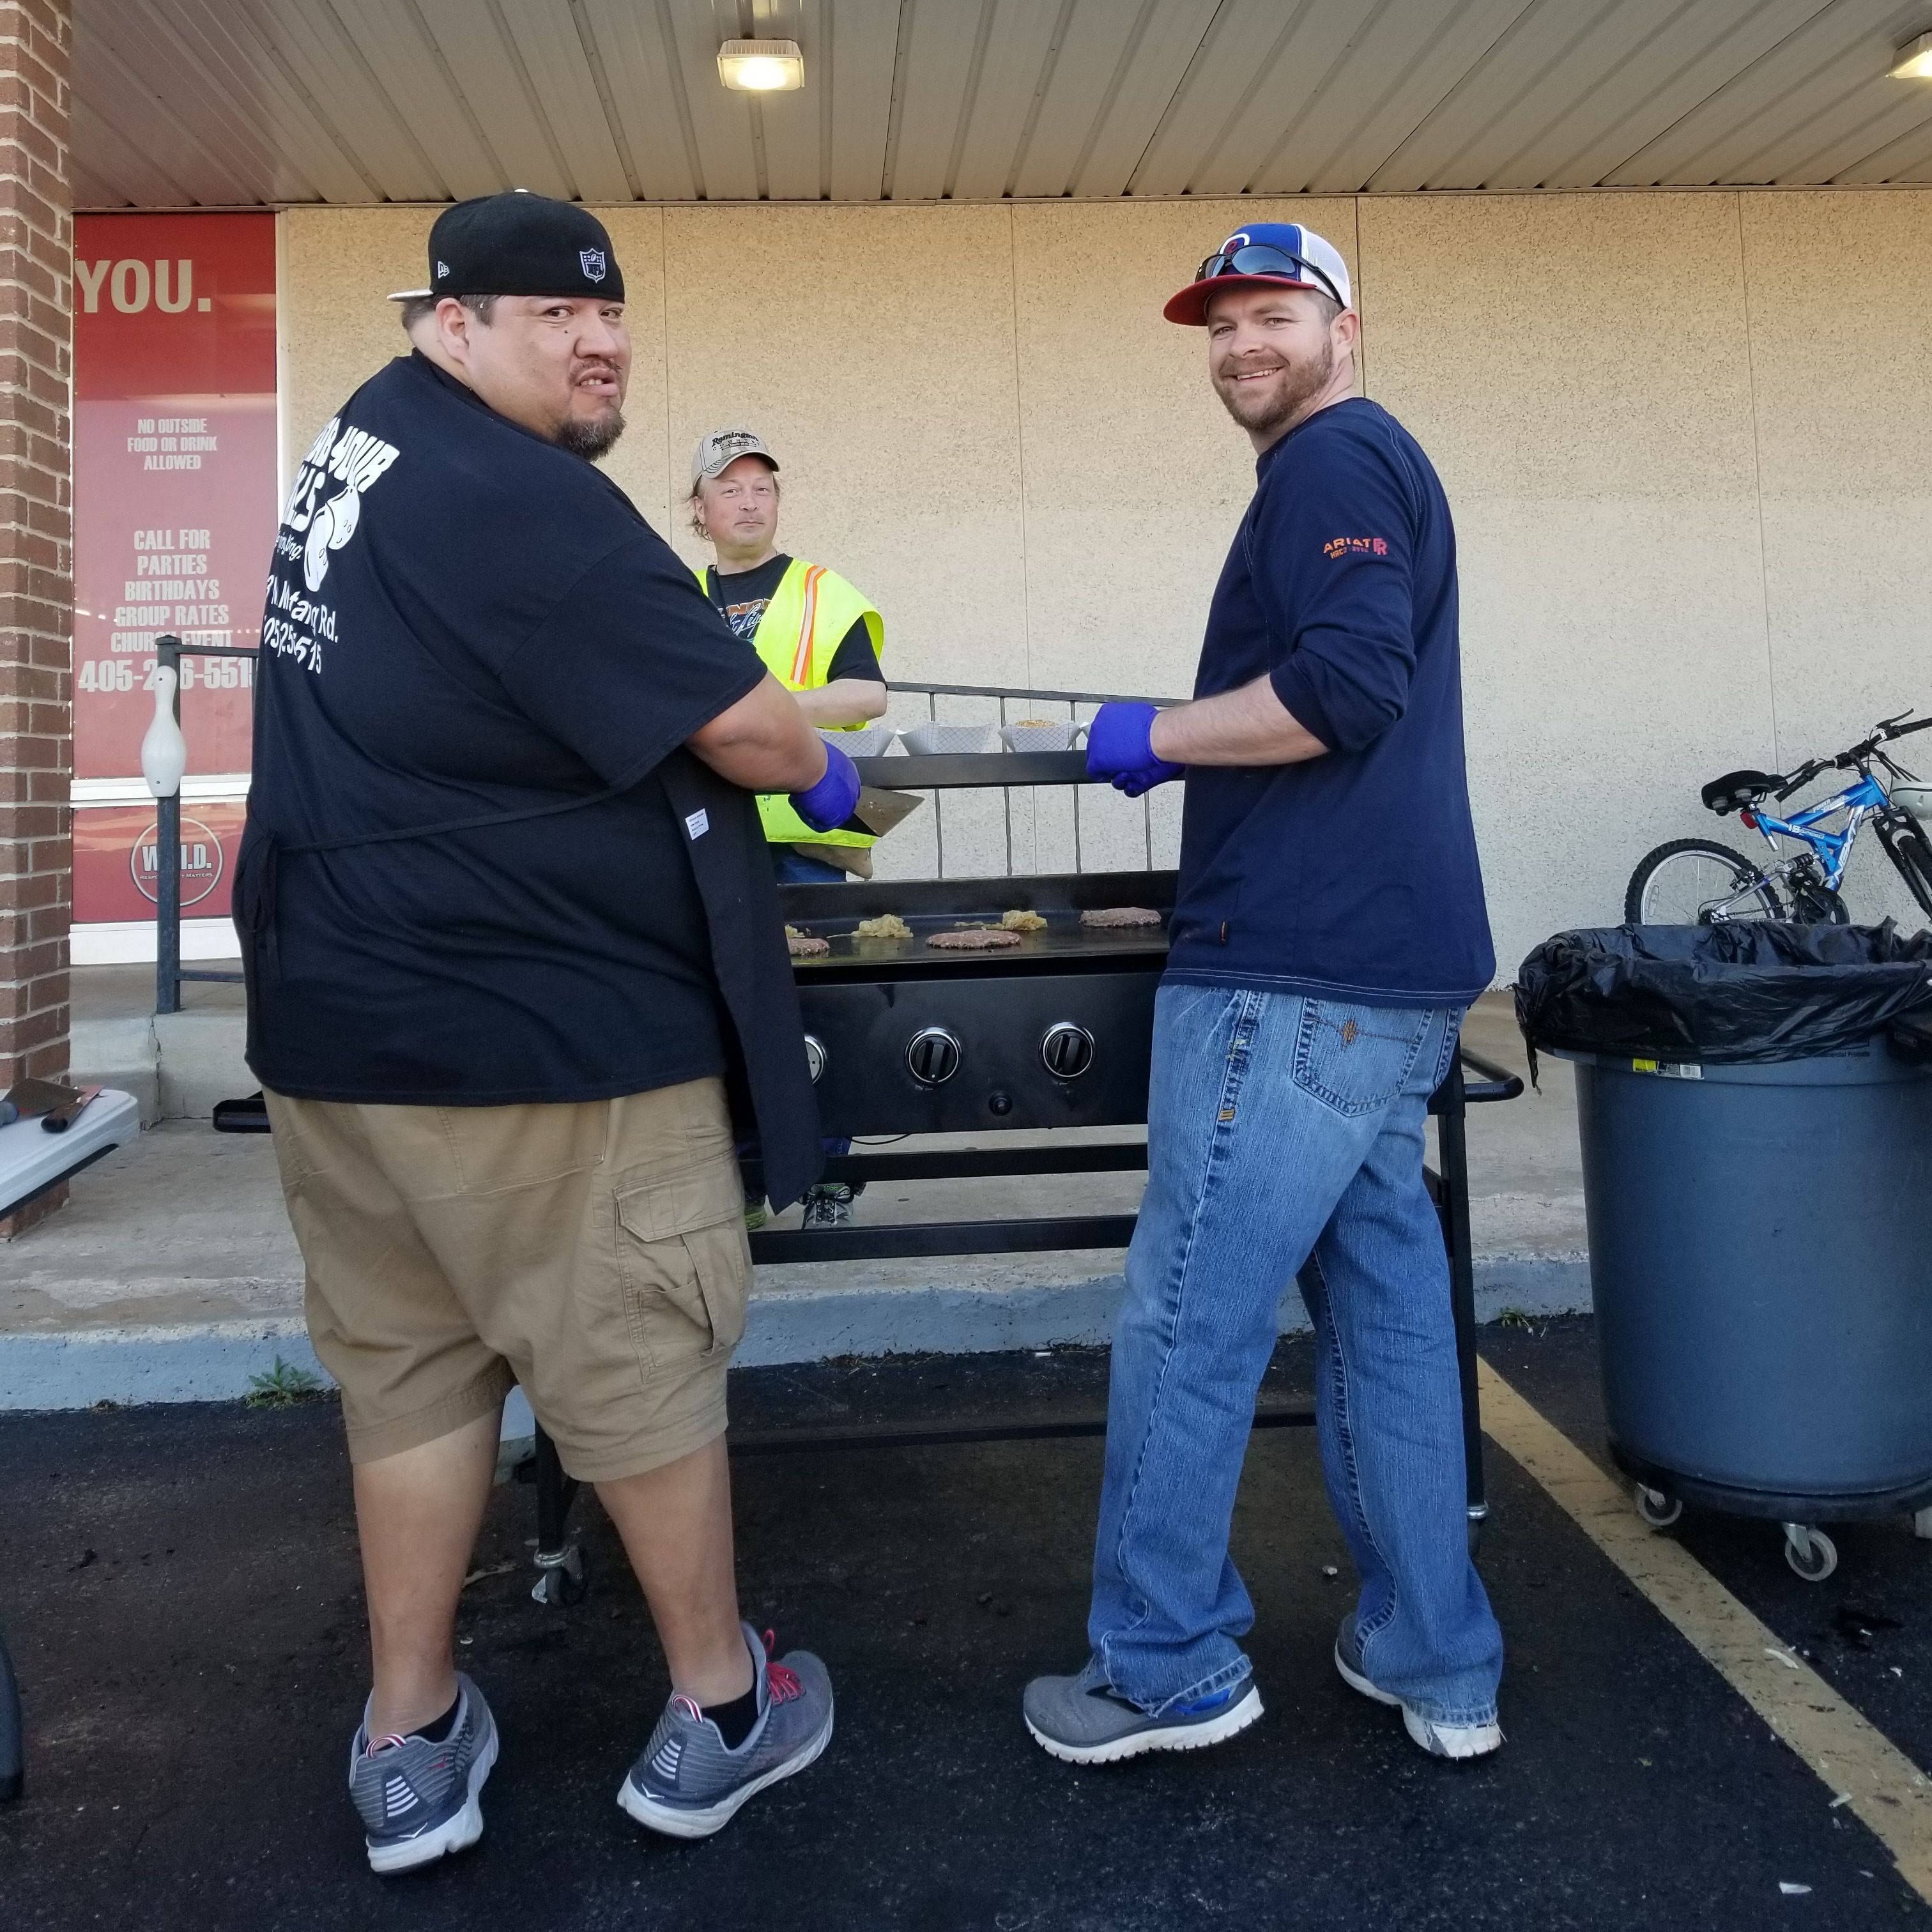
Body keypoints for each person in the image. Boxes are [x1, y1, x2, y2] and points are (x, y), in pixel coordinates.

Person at [240, 192, 860, 1872]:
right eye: (547, 318)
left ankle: (410, 1735)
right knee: (638, 1362)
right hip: (540, 1035)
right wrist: (823, 756)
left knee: (415, 1375)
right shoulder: (530, 504)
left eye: (612, 320)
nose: (597, 345)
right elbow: (756, 738)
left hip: (342, 1033)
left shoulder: (363, 440)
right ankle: (725, 1712)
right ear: (452, 323)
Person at [1022, 224, 1503, 1766]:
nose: (1241, 343)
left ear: (1344, 327)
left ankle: (1165, 1663)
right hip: (1384, 975)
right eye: (1222, 322)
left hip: (1293, 975)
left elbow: (1349, 689)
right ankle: (1438, 1660)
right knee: (1387, 1323)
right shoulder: (1355, 466)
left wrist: (1159, 734)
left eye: (1273, 313)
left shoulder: (1333, 464)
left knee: (1189, 1319)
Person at [689, 428, 886, 1231]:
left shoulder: (820, 591)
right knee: (721, 1009)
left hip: (803, 838)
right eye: (729, 488)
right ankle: (742, 1177)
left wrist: (764, 713)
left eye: (761, 487)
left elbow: (866, 697)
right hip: (710, 838)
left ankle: (829, 1176)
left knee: (818, 1011)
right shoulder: (675, 596)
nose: (748, 501)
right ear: (699, 510)